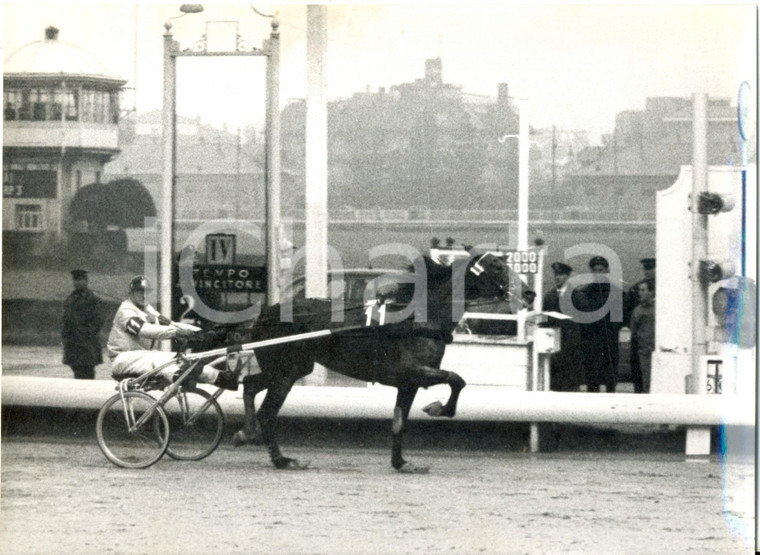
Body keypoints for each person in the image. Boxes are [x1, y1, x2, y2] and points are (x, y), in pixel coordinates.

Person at [106, 275, 239, 390]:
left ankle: (223, 378)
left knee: (182, 360)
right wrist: (177, 333)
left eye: (147, 291)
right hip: (122, 359)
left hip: (140, 358)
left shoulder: (147, 309)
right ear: (131, 292)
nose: (144, 295)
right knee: (160, 359)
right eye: (139, 291)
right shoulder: (125, 311)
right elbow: (144, 330)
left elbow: (171, 324)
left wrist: (202, 332)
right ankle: (180, 377)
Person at [576, 256, 623, 393]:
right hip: (591, 342)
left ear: (607, 270)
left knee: (610, 380)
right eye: (595, 270)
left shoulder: (616, 293)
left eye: (601, 270)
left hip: (609, 341)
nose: (598, 273)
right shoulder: (585, 293)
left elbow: (620, 319)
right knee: (592, 380)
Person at [542, 262, 584, 391]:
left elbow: (582, 322)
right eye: (556, 274)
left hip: (571, 346)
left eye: (561, 274)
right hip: (554, 345)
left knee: (570, 383)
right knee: (554, 382)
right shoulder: (549, 297)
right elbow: (544, 320)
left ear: (567, 276)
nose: (557, 277)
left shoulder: (577, 296)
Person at [62, 269, 104, 380]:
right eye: (75, 280)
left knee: (88, 373)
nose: (78, 282)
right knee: (77, 373)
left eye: (80, 280)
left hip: (87, 345)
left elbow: (98, 321)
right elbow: (65, 320)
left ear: (86, 281)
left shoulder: (92, 299)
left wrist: (85, 333)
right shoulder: (70, 299)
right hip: (73, 345)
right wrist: (66, 336)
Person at [624, 258, 655, 393]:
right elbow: (628, 312)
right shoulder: (635, 289)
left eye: (651, 268)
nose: (648, 272)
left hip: (654, 339)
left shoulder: (667, 288)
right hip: (640, 338)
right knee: (639, 373)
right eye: (646, 269)